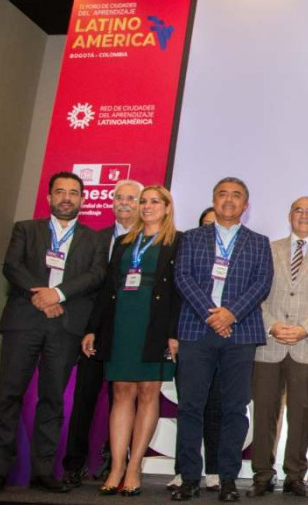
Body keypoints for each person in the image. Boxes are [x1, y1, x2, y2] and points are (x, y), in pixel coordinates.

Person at [0, 171, 107, 495]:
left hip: (65, 327)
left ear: (82, 200)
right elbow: (12, 266)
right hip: (24, 321)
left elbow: (96, 275)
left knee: (52, 400)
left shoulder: (95, 239)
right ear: (49, 198)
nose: (66, 197)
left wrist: (58, 294)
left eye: (73, 193)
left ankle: (44, 471)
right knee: (8, 395)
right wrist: (42, 295)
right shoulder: (25, 229)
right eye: (60, 192)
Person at [171, 177, 274, 502]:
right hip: (196, 330)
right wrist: (211, 314)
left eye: (236, 196)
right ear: (214, 200)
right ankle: (188, 477)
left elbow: (262, 283)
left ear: (245, 205)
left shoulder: (258, 242)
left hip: (240, 333)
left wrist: (230, 314)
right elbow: (182, 277)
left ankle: (228, 478)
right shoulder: (191, 238)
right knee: (190, 407)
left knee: (234, 409)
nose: (229, 200)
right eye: (222, 194)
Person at [81, 185, 180, 496]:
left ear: (167, 208)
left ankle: (135, 465)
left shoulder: (178, 242)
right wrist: (93, 328)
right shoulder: (123, 243)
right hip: (121, 322)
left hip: (155, 325)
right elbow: (107, 289)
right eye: (143, 201)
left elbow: (179, 293)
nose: (147, 206)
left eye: (154, 201)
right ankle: (116, 467)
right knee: (122, 391)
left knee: (149, 392)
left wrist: (173, 333)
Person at [247, 197, 308, 499]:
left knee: (302, 415)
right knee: (264, 412)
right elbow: (255, 293)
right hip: (269, 342)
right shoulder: (268, 249)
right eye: (298, 210)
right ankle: (262, 475)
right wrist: (273, 325)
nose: (304, 215)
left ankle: (294, 476)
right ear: (289, 216)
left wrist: (305, 329)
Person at [63, 179, 143, 487]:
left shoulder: (147, 241)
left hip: (129, 332)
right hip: (94, 331)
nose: (124, 203)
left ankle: (116, 459)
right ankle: (74, 464)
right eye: (119, 197)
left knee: (122, 398)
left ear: (141, 204)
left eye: (131, 198)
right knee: (84, 397)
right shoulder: (94, 239)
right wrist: (91, 328)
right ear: (111, 202)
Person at [168, 207, 222, 493]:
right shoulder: (189, 247)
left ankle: (213, 469)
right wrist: (173, 335)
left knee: (216, 407)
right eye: (207, 224)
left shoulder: (237, 251)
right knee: (189, 405)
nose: (213, 229)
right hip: (191, 332)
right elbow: (178, 293)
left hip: (226, 333)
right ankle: (183, 469)